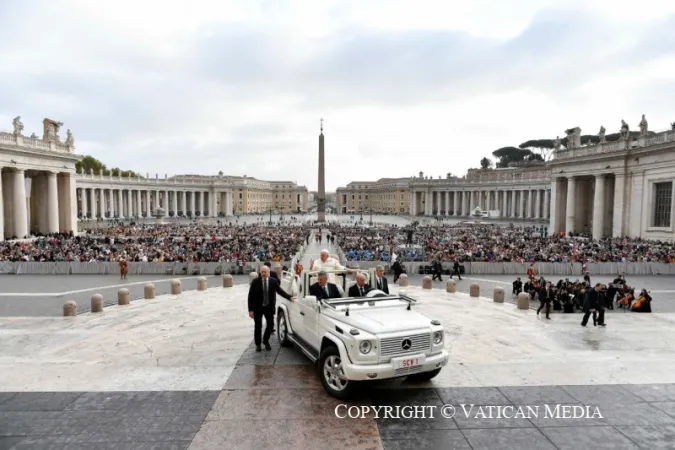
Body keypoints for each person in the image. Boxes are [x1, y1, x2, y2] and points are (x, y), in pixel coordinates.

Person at [247, 265, 295, 351]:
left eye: (265, 272)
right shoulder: (255, 282)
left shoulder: (273, 281)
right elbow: (250, 296)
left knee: (270, 325)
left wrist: (289, 297)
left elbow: (280, 291)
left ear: (269, 272)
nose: (263, 273)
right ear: (260, 272)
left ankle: (265, 341)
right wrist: (250, 310)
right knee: (258, 327)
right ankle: (258, 344)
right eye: (262, 272)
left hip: (269, 307)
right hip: (258, 308)